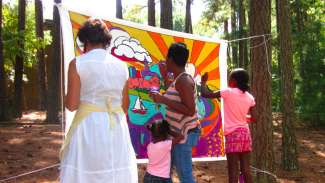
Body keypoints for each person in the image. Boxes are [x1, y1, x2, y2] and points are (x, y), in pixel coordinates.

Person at [60, 19, 138, 183]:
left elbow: (72, 105)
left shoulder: (77, 64)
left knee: (86, 172)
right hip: (116, 126)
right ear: (106, 41)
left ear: (86, 41)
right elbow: (125, 106)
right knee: (115, 173)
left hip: (88, 127)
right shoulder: (121, 66)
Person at [149, 42, 200, 183]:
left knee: (185, 176)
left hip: (183, 135)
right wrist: (165, 75)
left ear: (170, 59)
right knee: (166, 173)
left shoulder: (184, 80)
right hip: (176, 134)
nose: (165, 61)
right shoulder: (178, 79)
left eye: (166, 58)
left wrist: (163, 100)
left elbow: (190, 110)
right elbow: (173, 91)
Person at [200, 68, 255, 183]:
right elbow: (254, 118)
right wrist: (241, 117)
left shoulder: (228, 92)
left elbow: (205, 94)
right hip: (245, 134)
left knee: (233, 169)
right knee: (246, 169)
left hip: (233, 135)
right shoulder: (250, 97)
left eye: (229, 78)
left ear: (233, 81)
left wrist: (203, 82)